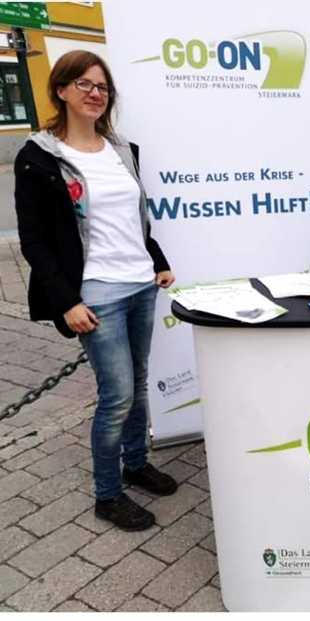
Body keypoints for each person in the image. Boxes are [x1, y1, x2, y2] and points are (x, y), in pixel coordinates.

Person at [14, 50, 178, 530]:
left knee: (139, 384)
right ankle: (107, 494)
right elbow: (35, 241)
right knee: (117, 395)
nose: (95, 93)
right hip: (96, 293)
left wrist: (157, 260)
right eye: (84, 84)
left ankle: (135, 463)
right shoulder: (40, 157)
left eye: (102, 86)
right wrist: (67, 301)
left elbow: (135, 219)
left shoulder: (122, 150)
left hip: (140, 284)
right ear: (61, 90)